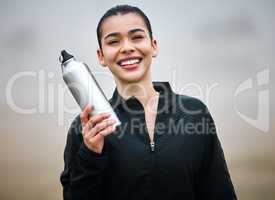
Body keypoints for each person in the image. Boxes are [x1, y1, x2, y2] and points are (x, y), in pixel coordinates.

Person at [60, 4, 237, 200]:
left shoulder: (194, 114)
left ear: (154, 46)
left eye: (137, 37)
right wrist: (90, 155)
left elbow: (220, 192)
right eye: (113, 41)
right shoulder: (87, 129)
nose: (127, 47)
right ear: (101, 56)